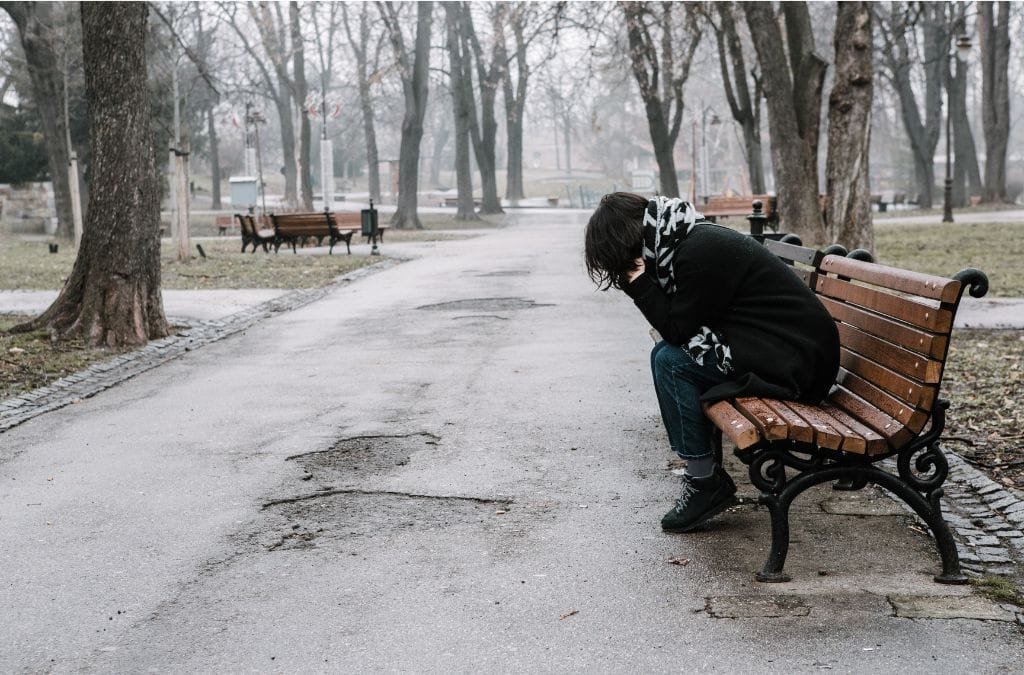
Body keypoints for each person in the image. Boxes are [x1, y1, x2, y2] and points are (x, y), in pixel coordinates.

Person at [584, 192, 839, 533]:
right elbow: (681, 326)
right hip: (780, 350)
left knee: (671, 361)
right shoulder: (686, 240)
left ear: (628, 241)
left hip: (796, 364)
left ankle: (704, 481)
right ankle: (703, 470)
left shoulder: (698, 252)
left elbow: (676, 330)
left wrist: (639, 282)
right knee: (667, 356)